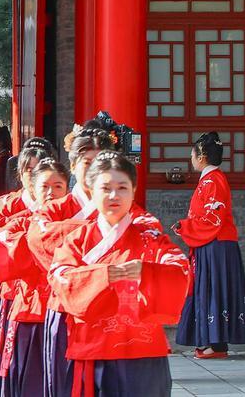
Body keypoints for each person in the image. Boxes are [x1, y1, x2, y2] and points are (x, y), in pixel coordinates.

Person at [48, 151, 190, 397]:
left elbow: (180, 269)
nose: (114, 195)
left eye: (122, 187)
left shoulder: (151, 239)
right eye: (106, 188)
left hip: (143, 351)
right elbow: (60, 276)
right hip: (92, 350)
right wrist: (104, 276)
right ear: (91, 191)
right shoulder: (77, 240)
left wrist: (146, 272)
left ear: (133, 191)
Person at [27, 126, 114, 397]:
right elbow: (41, 240)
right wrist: (94, 230)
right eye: (87, 162)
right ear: (74, 166)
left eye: (101, 162)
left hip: (110, 312)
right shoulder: (53, 210)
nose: (94, 169)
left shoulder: (121, 208)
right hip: (66, 307)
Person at [0, 137, 53, 397]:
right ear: (19, 172)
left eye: (40, 167)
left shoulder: (62, 203)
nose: (34, 173)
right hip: (18, 292)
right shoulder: (9, 204)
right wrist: (18, 238)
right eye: (28, 169)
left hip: (53, 295)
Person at [0, 158, 70, 397]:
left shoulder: (80, 224)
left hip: (66, 313)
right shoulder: (19, 223)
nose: (51, 193)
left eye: (58, 186)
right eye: (45, 186)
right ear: (32, 187)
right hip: (31, 310)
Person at [175, 132, 245, 358]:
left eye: (192, 155)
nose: (191, 159)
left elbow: (213, 219)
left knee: (213, 291)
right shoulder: (212, 179)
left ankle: (215, 344)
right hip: (213, 244)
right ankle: (215, 344)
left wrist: (185, 226)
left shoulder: (212, 180)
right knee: (213, 291)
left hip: (215, 244)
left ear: (202, 156)